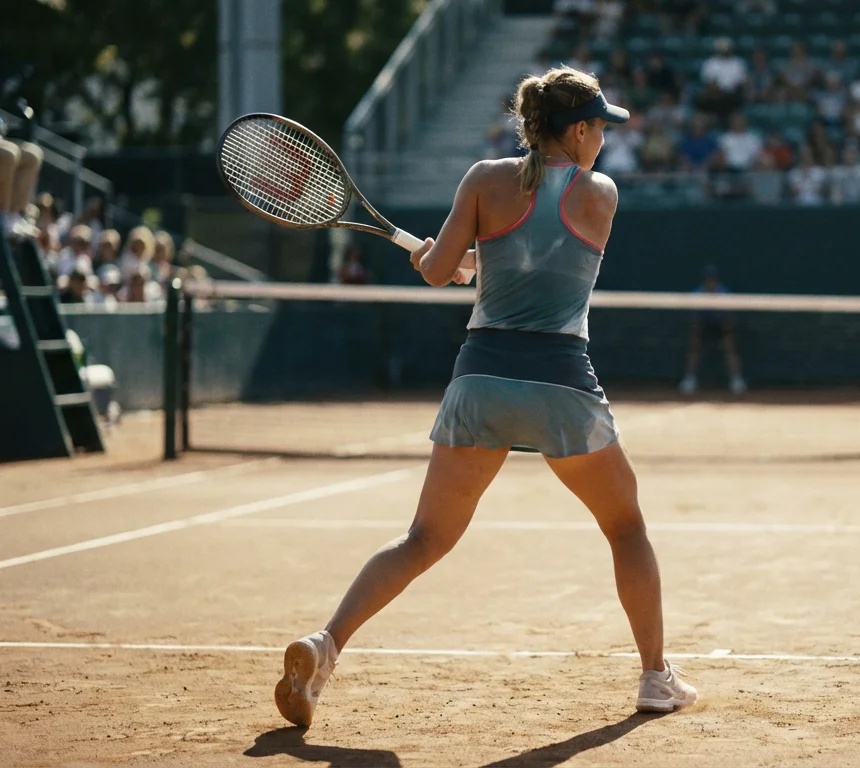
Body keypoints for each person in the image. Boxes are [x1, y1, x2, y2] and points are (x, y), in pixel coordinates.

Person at [273, 67, 696, 730]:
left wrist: (446, 261)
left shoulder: (482, 179)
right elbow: (543, 260)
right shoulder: (601, 195)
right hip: (561, 384)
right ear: (578, 131)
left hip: (480, 382)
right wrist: (474, 264)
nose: (605, 140)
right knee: (626, 528)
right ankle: (654, 676)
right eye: (600, 128)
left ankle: (324, 647)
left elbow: (444, 270)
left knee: (424, 538)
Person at [678, 266, 747, 396]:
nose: (710, 283)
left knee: (729, 345)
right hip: (703, 326)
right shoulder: (697, 294)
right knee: (694, 345)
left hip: (721, 326)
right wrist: (698, 334)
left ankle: (737, 380)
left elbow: (728, 320)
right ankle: (689, 380)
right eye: (708, 280)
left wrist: (725, 334)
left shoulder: (724, 294)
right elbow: (696, 320)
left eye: (712, 280)